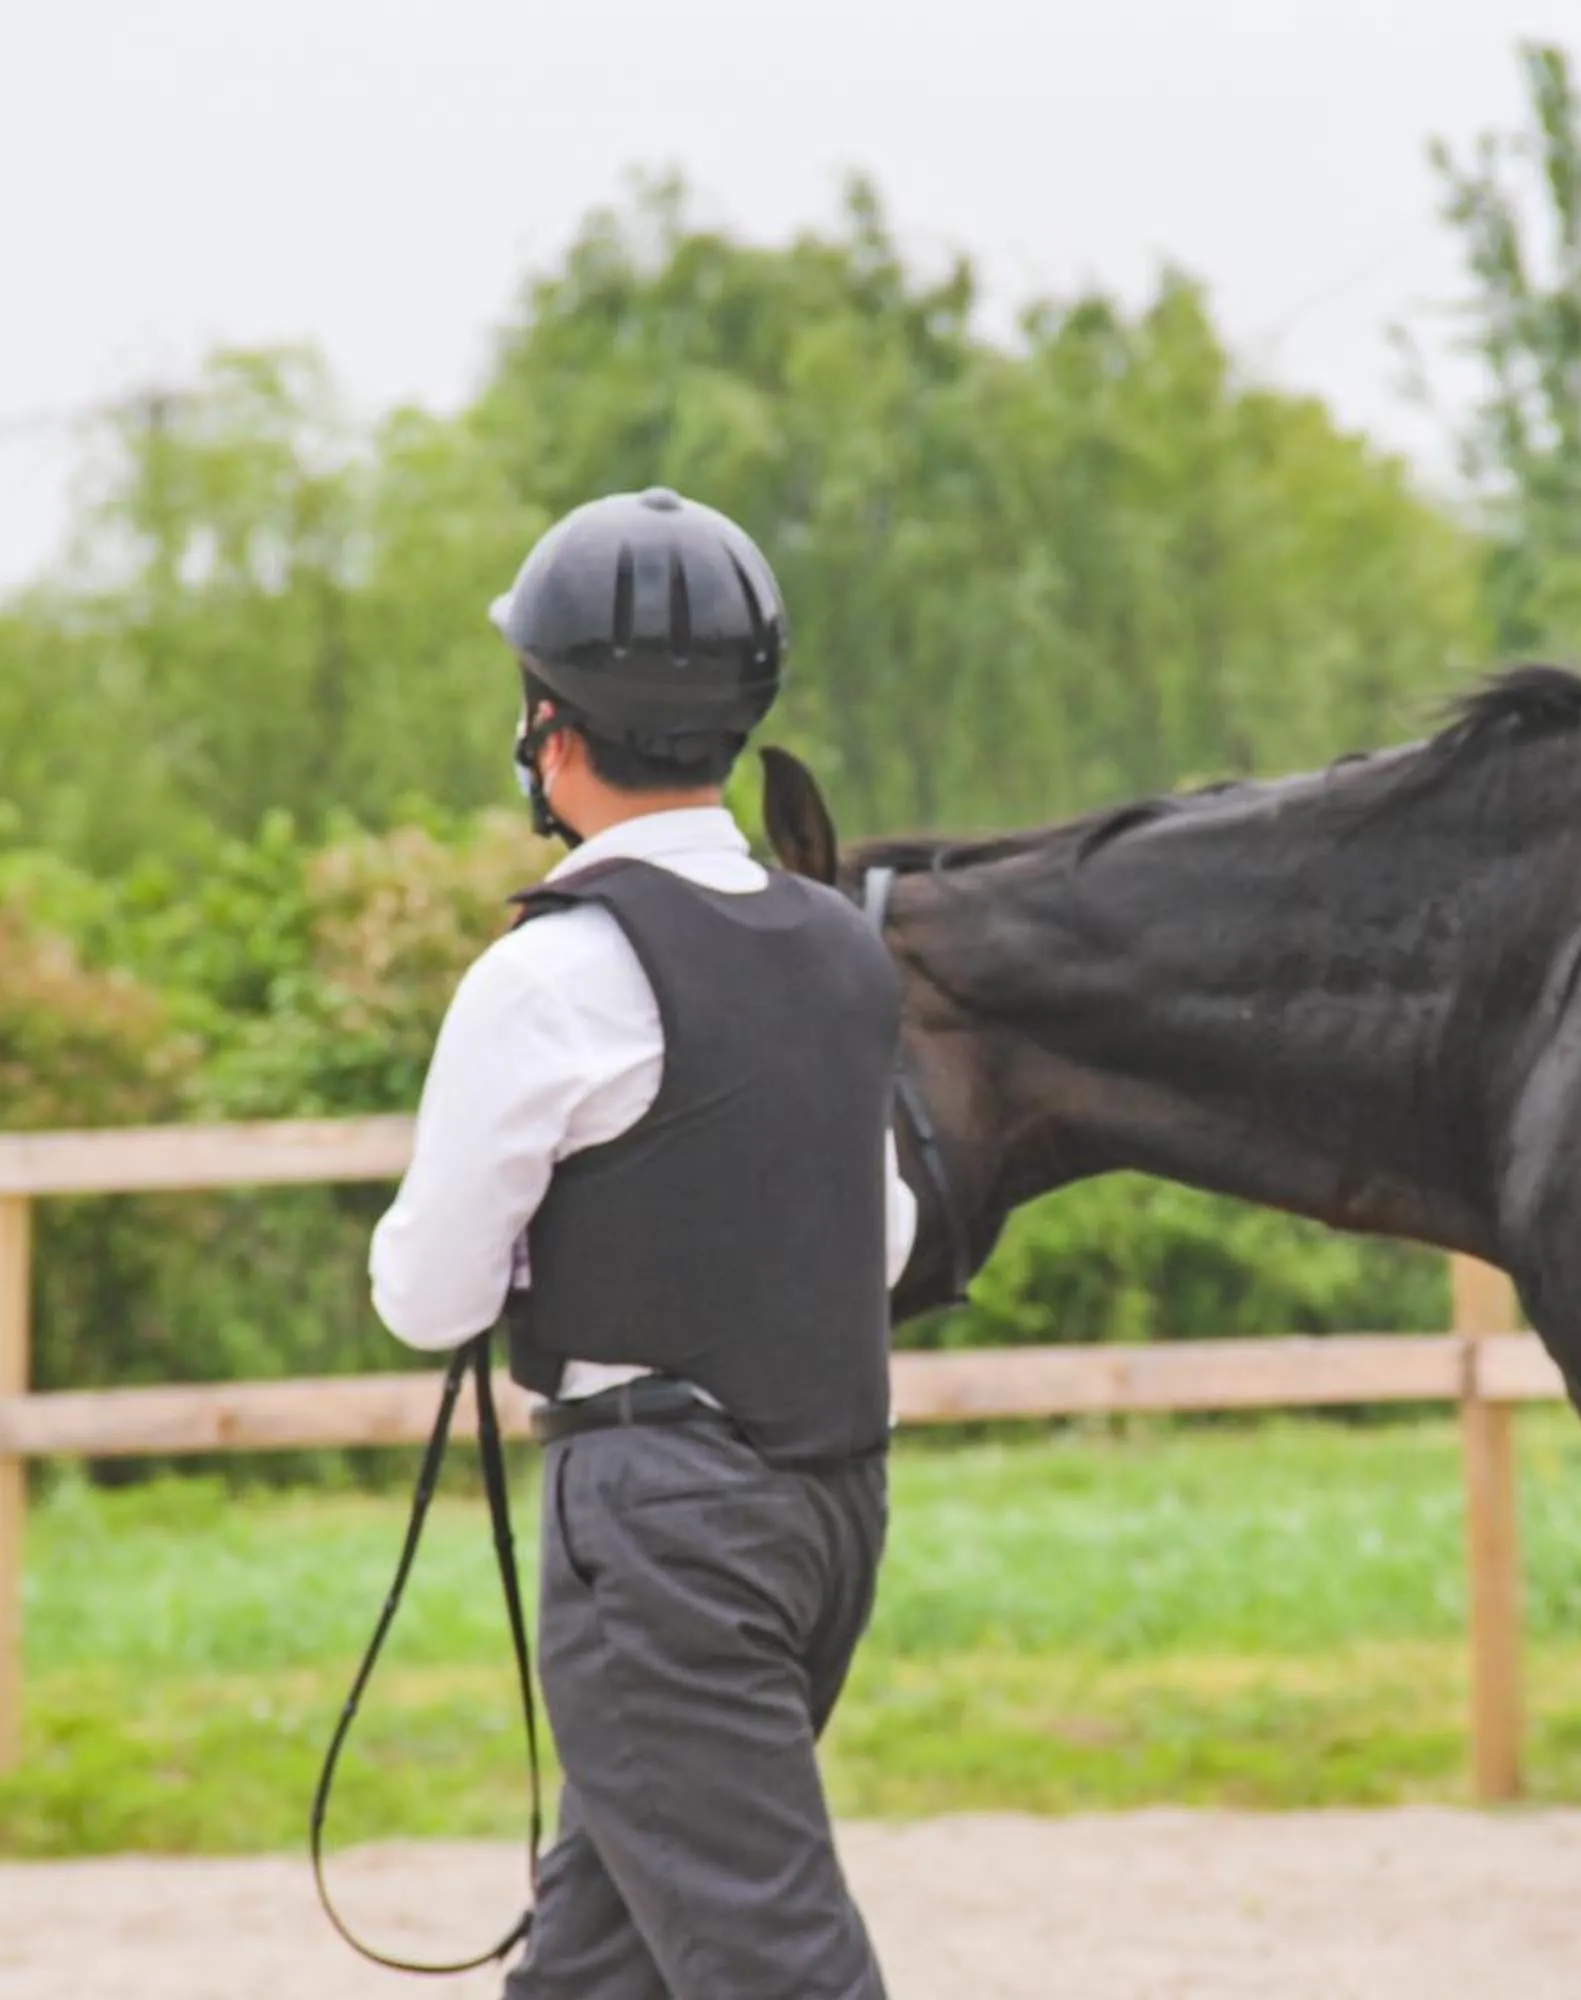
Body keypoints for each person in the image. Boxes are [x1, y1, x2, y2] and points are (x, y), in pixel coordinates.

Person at [368, 486, 915, 2000]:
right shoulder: (840, 946)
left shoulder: (551, 972)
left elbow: (427, 1298)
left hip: (658, 1523)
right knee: (600, 1961)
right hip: (831, 1508)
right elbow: (885, 1236)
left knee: (772, 1961)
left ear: (553, 729)